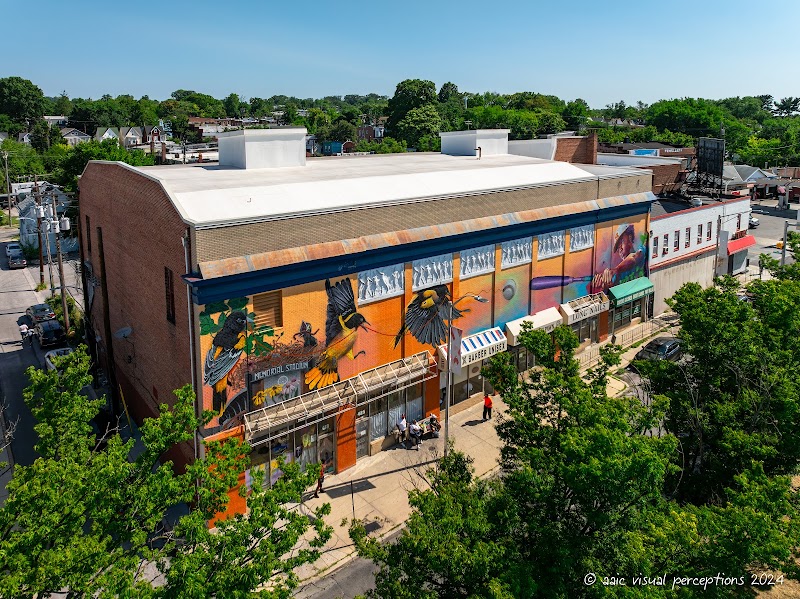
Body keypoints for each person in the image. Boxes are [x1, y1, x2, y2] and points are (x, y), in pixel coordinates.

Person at [592, 223, 646, 292]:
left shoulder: (641, 250)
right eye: (617, 248)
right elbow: (614, 290)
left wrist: (615, 270)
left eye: (621, 242)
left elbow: (634, 257)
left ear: (629, 237)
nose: (619, 249)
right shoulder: (619, 274)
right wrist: (606, 285)